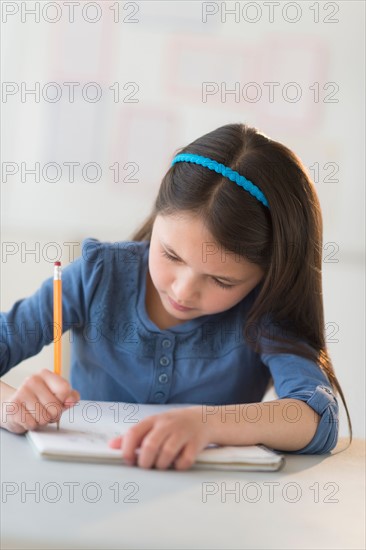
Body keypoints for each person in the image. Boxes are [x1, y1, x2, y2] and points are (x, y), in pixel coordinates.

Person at [0, 123, 352, 471]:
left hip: (204, 507)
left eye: (221, 280)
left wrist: (207, 424)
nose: (183, 291)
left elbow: (317, 416)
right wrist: (11, 406)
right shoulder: (96, 276)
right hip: (82, 489)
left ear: (267, 273)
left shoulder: (263, 309)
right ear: (157, 218)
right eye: (171, 255)